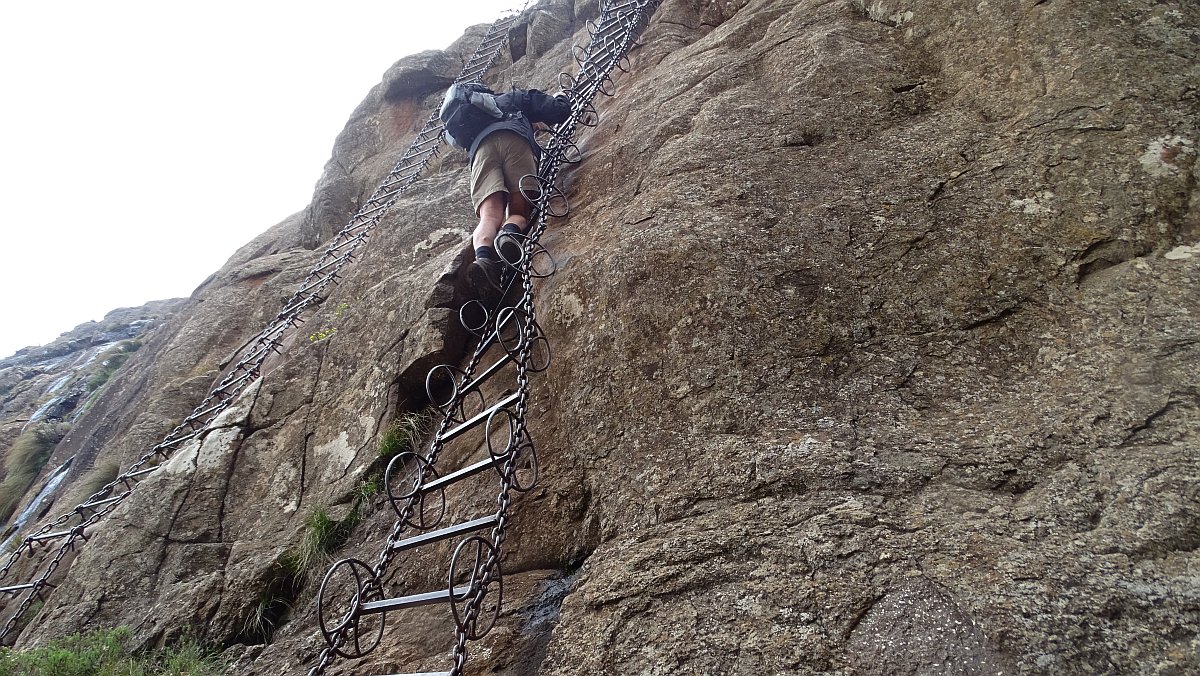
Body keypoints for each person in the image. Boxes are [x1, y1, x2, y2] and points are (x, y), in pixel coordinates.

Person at [459, 87, 572, 304]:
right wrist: (560, 98)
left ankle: (483, 260)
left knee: (489, 217)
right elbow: (558, 111)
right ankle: (508, 236)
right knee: (519, 210)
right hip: (515, 141)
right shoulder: (515, 98)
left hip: (481, 152)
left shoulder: (475, 116)